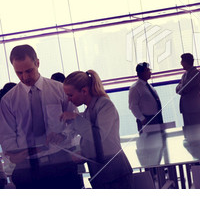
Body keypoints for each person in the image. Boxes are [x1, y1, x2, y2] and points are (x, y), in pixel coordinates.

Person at [0, 44, 82, 189]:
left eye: (29, 71)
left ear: (37, 63)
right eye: (19, 73)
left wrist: (63, 135)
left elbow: (75, 122)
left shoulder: (59, 90)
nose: (25, 77)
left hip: (60, 161)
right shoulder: (8, 101)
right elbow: (7, 138)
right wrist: (16, 153)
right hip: (28, 168)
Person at [61, 70, 133, 189]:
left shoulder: (105, 105)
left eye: (70, 95)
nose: (68, 99)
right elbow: (95, 142)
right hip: (101, 174)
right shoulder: (89, 110)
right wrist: (83, 154)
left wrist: (76, 118)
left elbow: (98, 136)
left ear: (84, 91)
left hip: (115, 174)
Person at [129, 62, 164, 134]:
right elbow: (133, 106)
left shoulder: (148, 86)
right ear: (142, 73)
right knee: (148, 143)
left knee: (159, 141)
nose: (150, 72)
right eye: (148, 70)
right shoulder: (135, 87)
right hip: (146, 120)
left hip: (156, 118)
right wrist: (142, 119)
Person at [176, 53, 200, 126]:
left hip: (194, 109)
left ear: (186, 62)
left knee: (198, 131)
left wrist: (181, 86)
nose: (181, 63)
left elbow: (184, 88)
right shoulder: (185, 75)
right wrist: (181, 86)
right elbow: (177, 89)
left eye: (182, 61)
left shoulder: (196, 73)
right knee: (189, 132)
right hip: (186, 109)